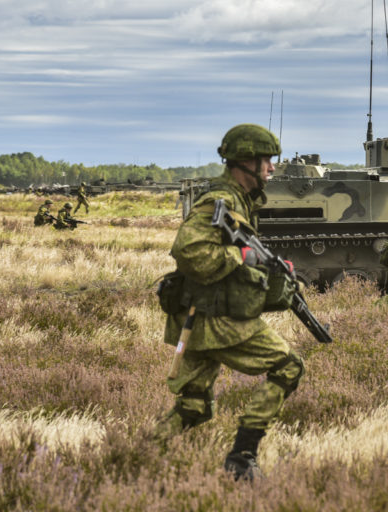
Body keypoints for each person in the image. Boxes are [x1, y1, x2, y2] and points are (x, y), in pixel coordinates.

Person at [153, 124, 304, 482]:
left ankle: (140, 455)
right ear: (245, 162)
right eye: (266, 160)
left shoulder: (239, 201)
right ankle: (242, 457)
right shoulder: (221, 201)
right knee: (288, 367)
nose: (271, 168)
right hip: (219, 318)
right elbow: (189, 250)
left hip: (199, 315)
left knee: (193, 406)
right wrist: (243, 256)